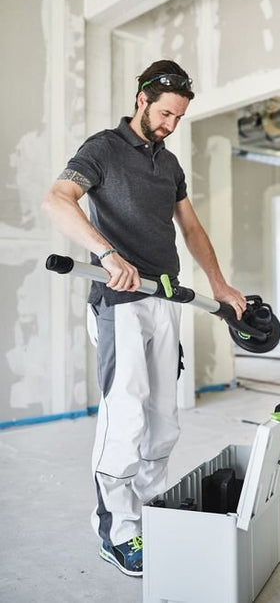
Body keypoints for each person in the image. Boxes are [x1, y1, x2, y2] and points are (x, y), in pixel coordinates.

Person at [42, 59, 246, 578]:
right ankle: (116, 531)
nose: (170, 125)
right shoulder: (102, 150)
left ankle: (151, 513)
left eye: (178, 117)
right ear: (142, 100)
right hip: (119, 301)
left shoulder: (169, 164)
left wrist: (219, 284)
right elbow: (57, 199)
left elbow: (191, 228)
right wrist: (107, 254)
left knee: (163, 419)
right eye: (164, 114)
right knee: (127, 415)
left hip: (166, 297)